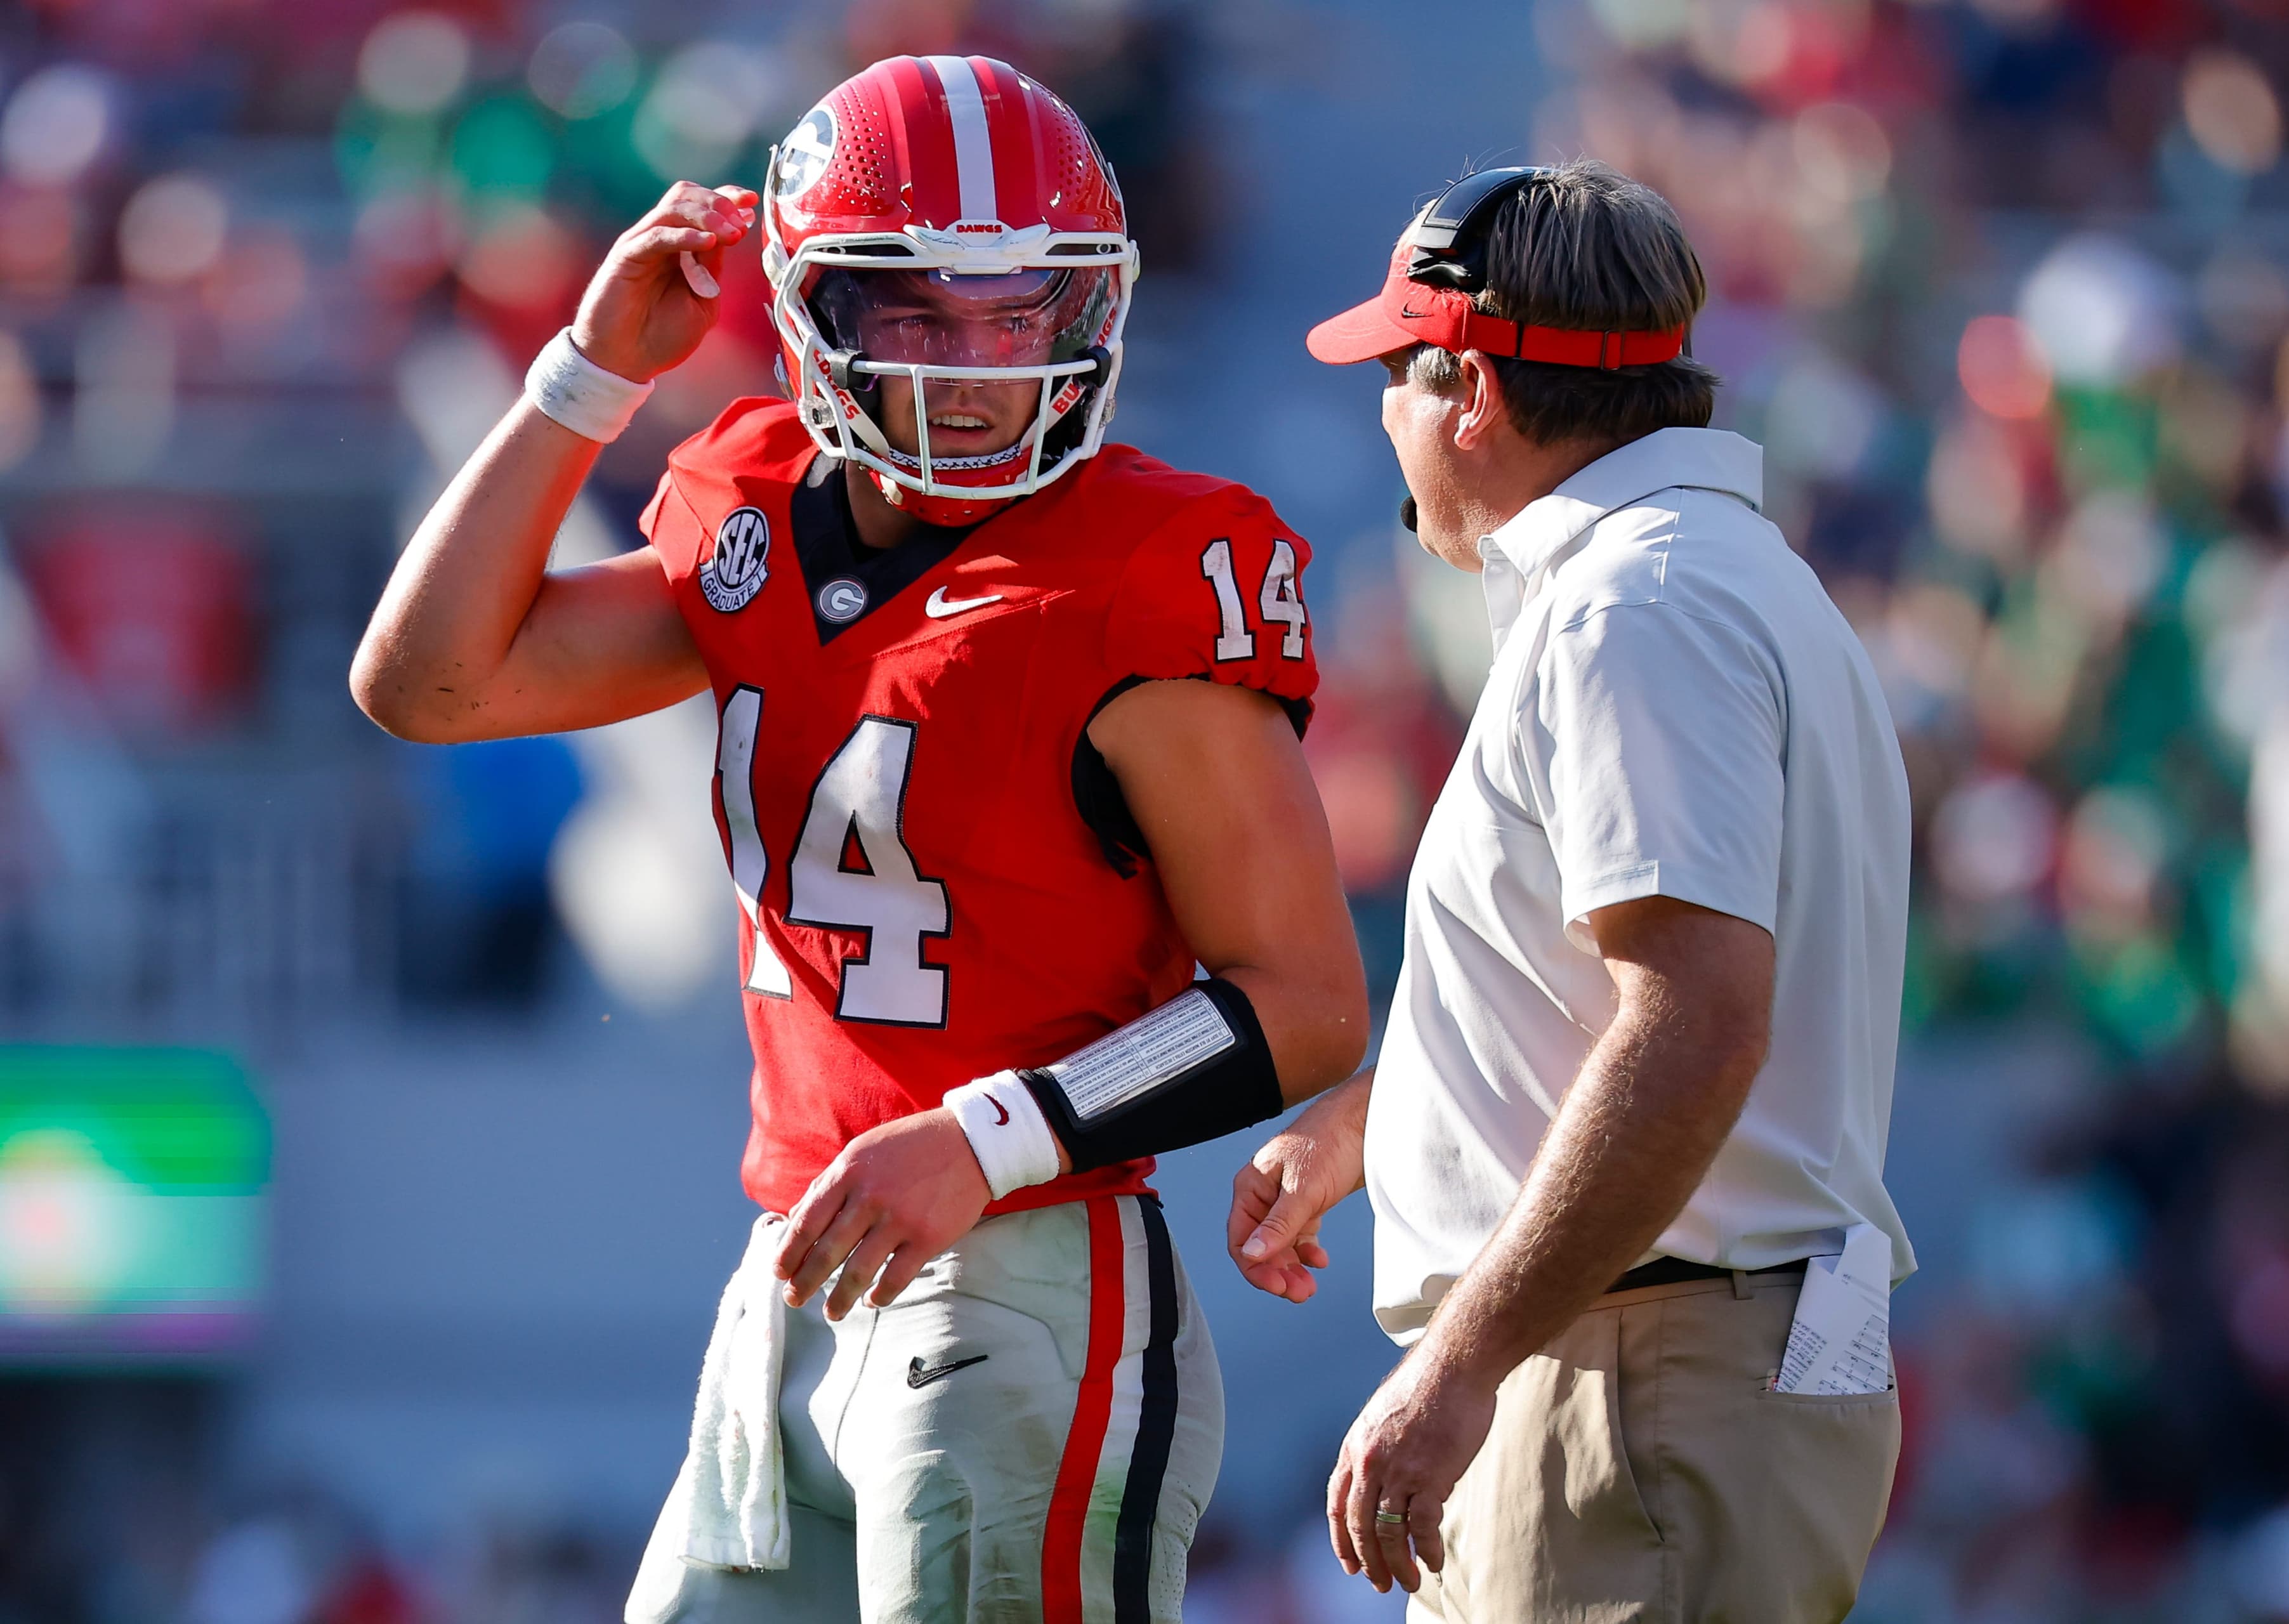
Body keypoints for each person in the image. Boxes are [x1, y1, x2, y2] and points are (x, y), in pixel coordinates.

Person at [350, 55, 1367, 1624]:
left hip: (1024, 1266)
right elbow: (427, 681)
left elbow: (1305, 1002)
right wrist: (587, 374)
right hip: (795, 1278)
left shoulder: (1143, 570)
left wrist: (988, 1135)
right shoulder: (754, 508)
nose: (978, 368)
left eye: (1021, 311)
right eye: (918, 314)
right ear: (815, 309)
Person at [1228, 161, 1913, 1621]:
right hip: (1658, 1356)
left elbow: (1695, 1023)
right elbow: (1631, 999)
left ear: (1472, 390)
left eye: (1398, 376)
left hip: (1636, 1372)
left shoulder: (1637, 604)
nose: (1386, 415)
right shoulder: (1703, 579)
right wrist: (1383, 1121)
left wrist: (1462, 1358)